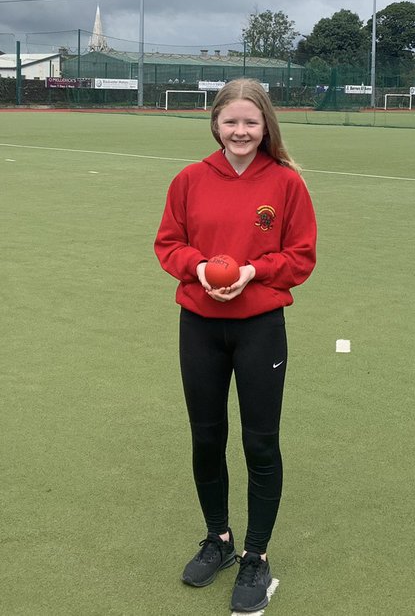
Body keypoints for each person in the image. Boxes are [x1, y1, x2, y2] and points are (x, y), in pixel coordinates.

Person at [154, 78, 317, 613]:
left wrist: (252, 270)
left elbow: (301, 256)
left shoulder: (286, 183)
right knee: (206, 437)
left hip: (260, 327)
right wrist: (199, 268)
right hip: (199, 325)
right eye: (231, 122)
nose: (241, 131)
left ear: (266, 125)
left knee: (260, 444)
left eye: (251, 122)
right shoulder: (189, 179)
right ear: (215, 124)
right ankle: (219, 540)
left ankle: (257, 555)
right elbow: (168, 244)